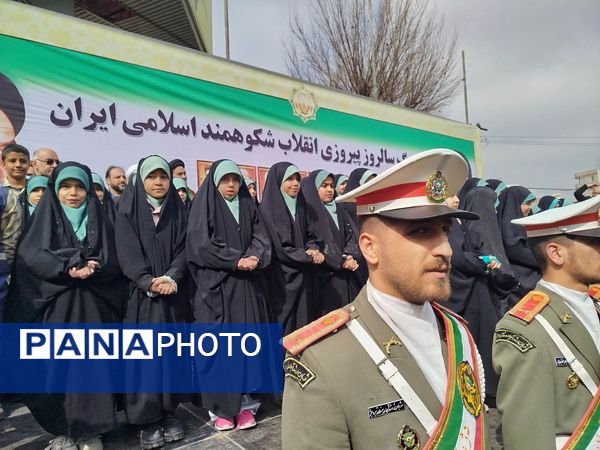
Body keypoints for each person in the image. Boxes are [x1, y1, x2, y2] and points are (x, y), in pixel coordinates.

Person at [282, 149, 488, 449]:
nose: (446, 249)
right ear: (370, 248)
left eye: (445, 230)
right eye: (421, 231)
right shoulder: (324, 359)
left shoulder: (457, 332)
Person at [10, 161, 125, 450]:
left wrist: (95, 266)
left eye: (79, 187)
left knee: (92, 369)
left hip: (95, 311)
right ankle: (63, 430)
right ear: (55, 190)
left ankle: (91, 430)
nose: (72, 193)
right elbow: (30, 259)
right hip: (55, 312)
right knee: (56, 370)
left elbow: (115, 259)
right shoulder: (42, 222)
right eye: (65, 186)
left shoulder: (102, 221)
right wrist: (66, 266)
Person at [493, 195, 600, 449]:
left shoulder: (594, 305)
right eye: (595, 242)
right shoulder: (525, 327)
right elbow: (527, 436)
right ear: (556, 253)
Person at [186, 159, 271, 431]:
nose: (231, 185)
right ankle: (221, 409)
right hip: (216, 289)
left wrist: (255, 256)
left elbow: (261, 237)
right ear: (215, 183)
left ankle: (245, 404)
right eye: (225, 180)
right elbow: (201, 245)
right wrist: (235, 260)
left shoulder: (247, 205)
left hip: (245, 287)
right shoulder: (204, 206)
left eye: (235, 180)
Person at [115, 156, 190, 450]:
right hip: (141, 300)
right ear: (141, 180)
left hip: (172, 296)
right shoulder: (127, 211)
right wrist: (147, 280)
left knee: (171, 357)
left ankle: (170, 412)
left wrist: (172, 276)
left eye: (163, 177)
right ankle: (147, 420)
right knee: (144, 360)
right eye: (152, 177)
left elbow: (184, 248)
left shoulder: (178, 211)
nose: (158, 182)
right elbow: (126, 252)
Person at [259, 162, 324, 335]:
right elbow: (280, 248)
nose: (295, 183)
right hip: (281, 278)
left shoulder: (301, 206)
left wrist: (313, 249)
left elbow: (312, 234)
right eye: (289, 179)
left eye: (297, 179)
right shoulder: (268, 210)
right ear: (278, 182)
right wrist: (307, 256)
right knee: (285, 330)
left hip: (304, 276)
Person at [301, 170, 362, 317]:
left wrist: (349, 255)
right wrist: (340, 261)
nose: (329, 189)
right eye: (324, 186)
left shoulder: (339, 209)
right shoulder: (310, 211)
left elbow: (351, 235)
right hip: (325, 276)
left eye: (331, 185)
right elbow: (316, 241)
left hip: (347, 275)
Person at [496, 185, 541, 305]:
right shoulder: (509, 228)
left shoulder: (521, 224)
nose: (530, 208)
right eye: (527, 203)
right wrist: (543, 259)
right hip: (518, 285)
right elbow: (514, 249)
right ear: (514, 204)